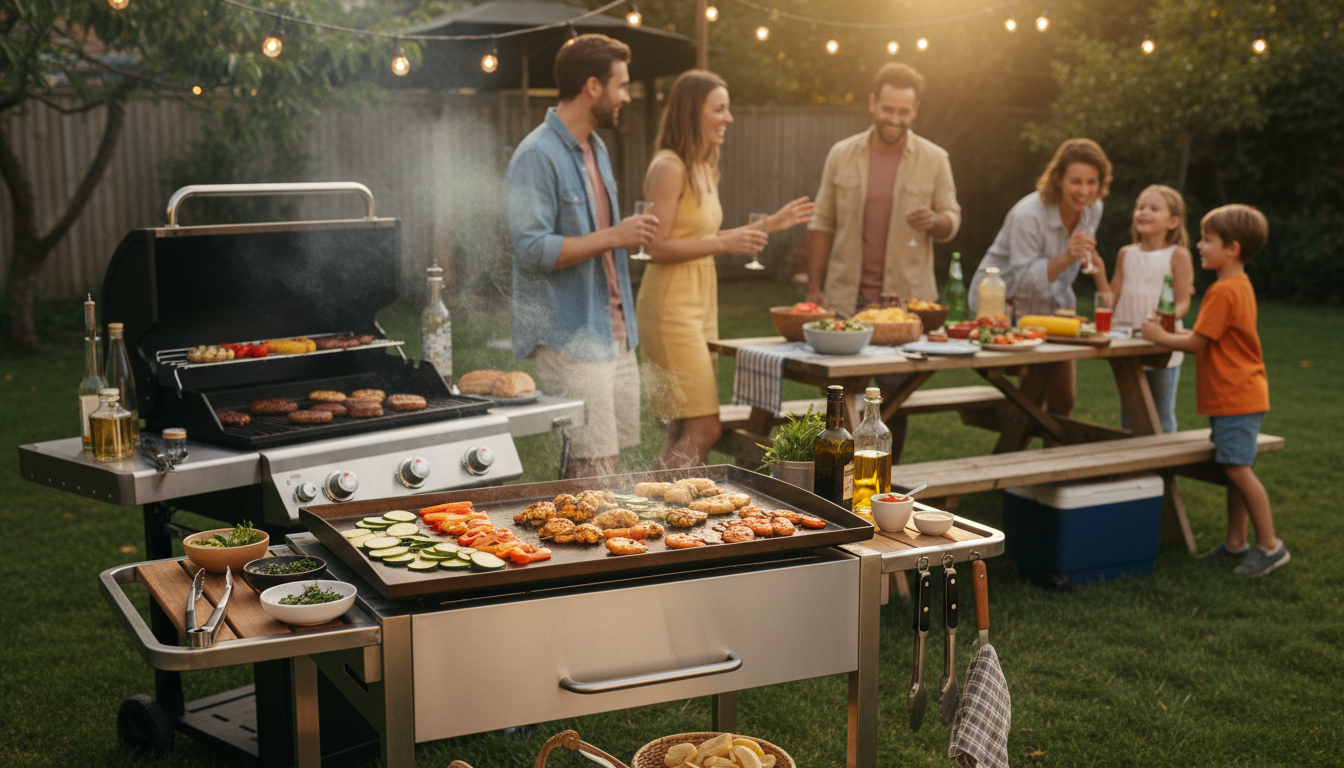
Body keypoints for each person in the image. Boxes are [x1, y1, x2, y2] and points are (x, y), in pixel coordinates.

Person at [638, 70, 815, 468]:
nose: (728, 118)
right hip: (670, 307)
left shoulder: (702, 165)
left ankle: (657, 513)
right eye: (719, 109)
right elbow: (654, 245)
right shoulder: (669, 167)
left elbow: (701, 233)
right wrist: (723, 244)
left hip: (701, 302)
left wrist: (770, 223)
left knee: (681, 428)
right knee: (704, 428)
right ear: (691, 113)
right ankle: (665, 510)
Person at [505, 34, 658, 479]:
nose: (626, 97)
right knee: (593, 463)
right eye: (622, 85)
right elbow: (531, 249)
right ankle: (573, 542)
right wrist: (614, 235)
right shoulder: (536, 156)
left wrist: (617, 237)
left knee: (612, 457)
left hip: (613, 328)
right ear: (594, 86)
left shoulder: (597, 147)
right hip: (570, 336)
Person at [1142, 205, 1287, 577]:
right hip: (1239, 396)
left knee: (1238, 470)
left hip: (1237, 396)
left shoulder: (1223, 292)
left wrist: (1160, 336)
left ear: (1233, 248)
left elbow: (1197, 342)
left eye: (1208, 240)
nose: (1200, 246)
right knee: (1234, 466)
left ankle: (1270, 546)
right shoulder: (1241, 284)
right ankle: (1235, 542)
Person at [967, 138, 1111, 418]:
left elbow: (1072, 270)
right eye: (1076, 181)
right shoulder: (1028, 215)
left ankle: (1053, 459)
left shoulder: (1094, 209)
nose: (1084, 191)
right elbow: (1023, 281)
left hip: (1052, 306)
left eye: (1092, 182)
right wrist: (1068, 257)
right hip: (1001, 305)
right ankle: (1021, 457)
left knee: (1064, 401)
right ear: (1058, 178)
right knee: (1033, 403)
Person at [806, 62, 961, 315]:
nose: (894, 119)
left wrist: (934, 220)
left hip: (910, 302)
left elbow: (952, 218)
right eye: (888, 110)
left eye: (903, 112)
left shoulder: (935, 159)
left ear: (915, 111)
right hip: (847, 300)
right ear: (873, 104)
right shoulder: (841, 154)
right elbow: (822, 222)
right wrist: (813, 287)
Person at [1092, 184, 1194, 434]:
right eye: (1140, 207)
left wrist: (1164, 318)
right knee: (1131, 411)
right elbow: (1111, 301)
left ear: (1173, 221)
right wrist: (1099, 273)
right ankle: (1135, 470)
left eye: (1154, 208)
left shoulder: (1177, 254)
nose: (1144, 212)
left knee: (1160, 414)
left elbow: (1182, 301)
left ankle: (1163, 469)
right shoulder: (1126, 253)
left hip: (1160, 344)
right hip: (1125, 344)